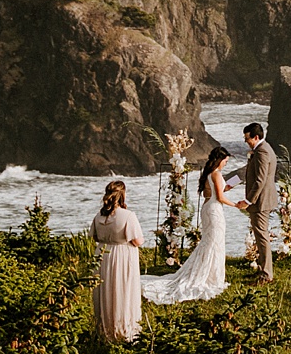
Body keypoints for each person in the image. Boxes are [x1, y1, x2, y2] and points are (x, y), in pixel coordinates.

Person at [142, 145, 238, 305]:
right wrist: (235, 204)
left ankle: (209, 274)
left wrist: (230, 185)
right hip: (214, 210)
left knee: (210, 242)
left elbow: (216, 192)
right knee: (214, 242)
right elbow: (220, 197)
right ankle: (210, 276)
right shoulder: (216, 174)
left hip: (208, 208)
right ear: (220, 160)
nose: (226, 164)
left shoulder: (209, 173)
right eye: (225, 161)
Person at [89, 180, 144, 343]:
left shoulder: (99, 215)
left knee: (105, 291)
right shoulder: (128, 216)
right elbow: (137, 241)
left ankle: (104, 329)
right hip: (122, 255)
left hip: (102, 254)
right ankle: (124, 329)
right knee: (122, 290)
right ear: (122, 195)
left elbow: (95, 236)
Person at [238, 122, 278, 284]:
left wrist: (248, 201)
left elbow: (260, 180)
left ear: (256, 137)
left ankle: (267, 274)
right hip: (261, 200)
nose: (246, 141)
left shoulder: (262, 152)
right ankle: (262, 270)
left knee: (262, 237)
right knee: (260, 235)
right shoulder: (262, 149)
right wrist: (229, 183)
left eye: (247, 138)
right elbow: (248, 173)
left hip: (261, 201)